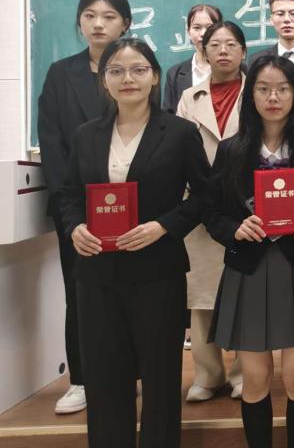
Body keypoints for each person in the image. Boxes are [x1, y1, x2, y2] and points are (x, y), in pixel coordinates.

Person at [61, 37, 211, 447]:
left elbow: (205, 196)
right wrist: (75, 227)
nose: (128, 78)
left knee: (161, 381)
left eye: (138, 69)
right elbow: (68, 195)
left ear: (155, 77)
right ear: (104, 80)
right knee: (105, 379)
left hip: (156, 272)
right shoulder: (86, 135)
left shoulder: (179, 132)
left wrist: (163, 226)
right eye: (117, 70)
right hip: (97, 275)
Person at [204, 54, 294, 448]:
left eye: (282, 89)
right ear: (251, 96)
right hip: (249, 268)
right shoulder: (231, 150)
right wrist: (234, 229)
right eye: (263, 89)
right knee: (256, 378)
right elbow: (212, 213)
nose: (273, 97)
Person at [38, 0, 132, 415]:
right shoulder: (61, 73)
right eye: (90, 15)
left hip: (131, 203)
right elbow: (52, 143)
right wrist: (70, 210)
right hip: (77, 208)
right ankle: (81, 379)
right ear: (79, 21)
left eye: (109, 16)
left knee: (129, 293)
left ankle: (128, 373)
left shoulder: (135, 67)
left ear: (125, 23)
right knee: (80, 294)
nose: (98, 24)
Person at [175, 21, 247, 402]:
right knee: (202, 295)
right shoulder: (190, 97)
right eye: (215, 44)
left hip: (245, 205)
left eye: (231, 44)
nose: (223, 51)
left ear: (244, 52)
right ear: (204, 52)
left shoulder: (257, 90)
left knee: (246, 291)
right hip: (201, 202)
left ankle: (244, 372)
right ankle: (208, 373)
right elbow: (179, 149)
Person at [163, 4, 223, 113]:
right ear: (188, 31)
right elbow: (168, 116)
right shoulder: (174, 74)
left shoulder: (237, 70)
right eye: (197, 28)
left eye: (209, 27)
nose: (203, 33)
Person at [248, 0, 294, 67]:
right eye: (280, 14)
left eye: (293, 13)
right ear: (271, 20)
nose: (286, 19)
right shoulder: (257, 60)